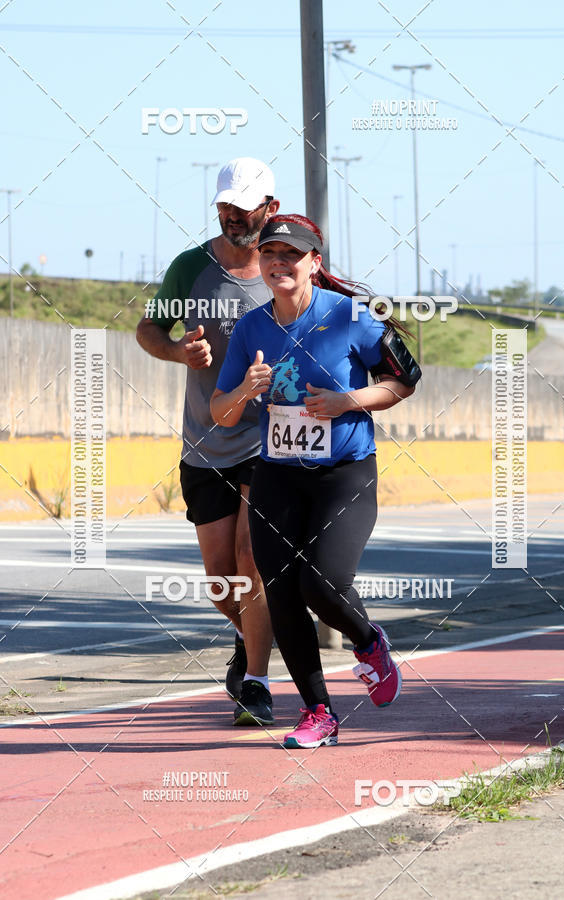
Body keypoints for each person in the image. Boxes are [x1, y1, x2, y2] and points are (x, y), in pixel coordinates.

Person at [210, 214, 417, 748]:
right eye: (270, 254)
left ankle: (369, 643)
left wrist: (348, 400)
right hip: (277, 473)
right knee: (280, 590)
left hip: (344, 474)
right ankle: (318, 712)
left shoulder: (351, 317)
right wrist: (244, 390)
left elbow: (404, 379)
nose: (279, 263)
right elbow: (223, 412)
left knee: (320, 581)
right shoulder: (251, 328)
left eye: (292, 255)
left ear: (314, 264)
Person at [136, 158, 280, 726]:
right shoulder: (190, 268)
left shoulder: (283, 265)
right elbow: (149, 329)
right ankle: (251, 641)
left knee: (251, 559)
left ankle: (258, 683)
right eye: (223, 205)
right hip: (205, 440)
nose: (230, 215)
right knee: (222, 580)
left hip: (267, 441)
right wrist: (178, 352)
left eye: (242, 207)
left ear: (269, 208)